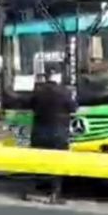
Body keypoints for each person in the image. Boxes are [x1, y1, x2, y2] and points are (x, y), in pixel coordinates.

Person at [29, 66, 77, 204]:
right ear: (58, 76)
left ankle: (39, 190)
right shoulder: (65, 92)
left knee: (40, 161)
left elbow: (31, 105)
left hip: (39, 131)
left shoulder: (38, 91)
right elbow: (73, 108)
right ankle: (55, 192)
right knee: (58, 162)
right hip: (58, 132)